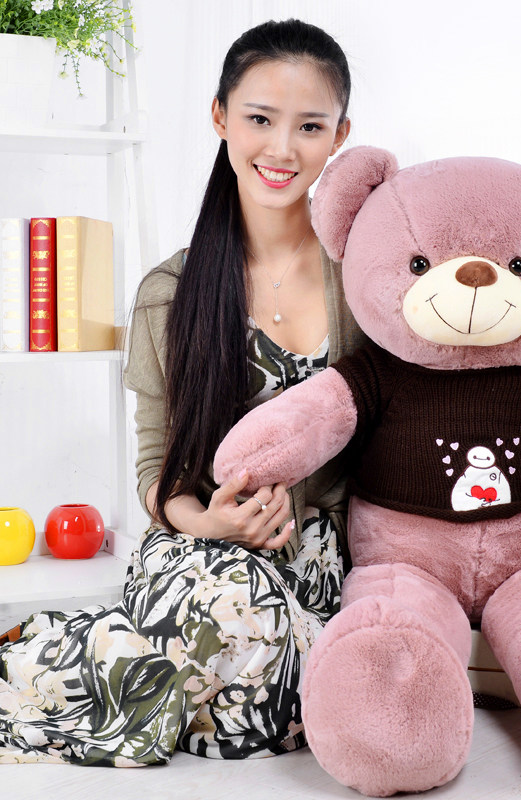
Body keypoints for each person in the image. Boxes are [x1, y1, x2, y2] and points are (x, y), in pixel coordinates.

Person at [0, 18, 364, 765]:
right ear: (220, 116)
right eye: (259, 118)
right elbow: (154, 465)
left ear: (340, 135)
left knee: (267, 700)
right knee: (234, 617)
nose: (281, 148)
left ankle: (107, 668)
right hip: (196, 550)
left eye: (309, 126)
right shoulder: (168, 292)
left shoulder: (367, 280)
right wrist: (208, 522)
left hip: (319, 557)